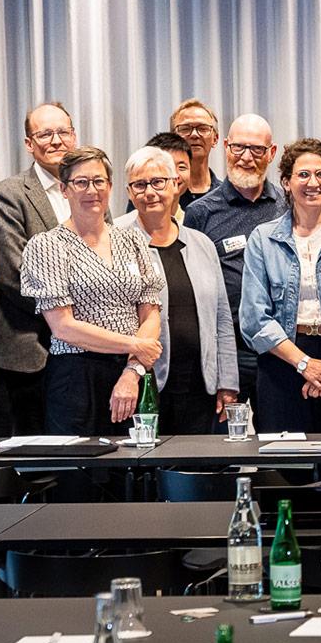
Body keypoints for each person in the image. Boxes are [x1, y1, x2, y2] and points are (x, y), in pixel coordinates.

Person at [23, 148, 164, 436]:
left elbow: (150, 313)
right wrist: (135, 345)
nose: (92, 190)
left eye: (99, 181)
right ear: (64, 189)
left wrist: (132, 371)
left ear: (110, 187)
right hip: (77, 378)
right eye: (81, 182)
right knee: (81, 477)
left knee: (138, 472)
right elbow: (64, 327)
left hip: (133, 375)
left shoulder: (133, 239)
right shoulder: (46, 246)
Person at [239, 140, 321, 435]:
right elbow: (255, 319)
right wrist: (306, 365)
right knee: (285, 467)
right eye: (303, 175)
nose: (313, 183)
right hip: (282, 361)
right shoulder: (263, 238)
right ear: (286, 183)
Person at [117, 146, 237, 435]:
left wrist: (228, 381)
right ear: (130, 192)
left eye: (158, 182)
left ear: (175, 186)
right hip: (142, 383)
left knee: (196, 472)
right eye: (140, 185)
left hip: (200, 384)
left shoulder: (202, 243)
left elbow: (222, 317)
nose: (150, 192)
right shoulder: (116, 239)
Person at [0, 102, 80, 437]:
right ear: (29, 144)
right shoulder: (7, 195)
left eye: (63, 132)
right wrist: (79, 306)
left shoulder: (89, 191)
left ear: (74, 136)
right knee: (29, 462)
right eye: (45, 134)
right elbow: (14, 274)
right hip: (28, 352)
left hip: (82, 351)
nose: (56, 140)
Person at [184, 114, 285, 399]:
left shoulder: (286, 207)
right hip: (229, 350)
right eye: (239, 147)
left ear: (272, 153)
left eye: (257, 149)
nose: (246, 157)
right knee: (228, 437)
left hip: (278, 347)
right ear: (226, 147)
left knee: (276, 435)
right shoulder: (201, 212)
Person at [170, 99, 223, 209]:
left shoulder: (226, 197)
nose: (194, 135)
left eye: (203, 128)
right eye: (185, 129)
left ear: (215, 139)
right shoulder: (157, 195)